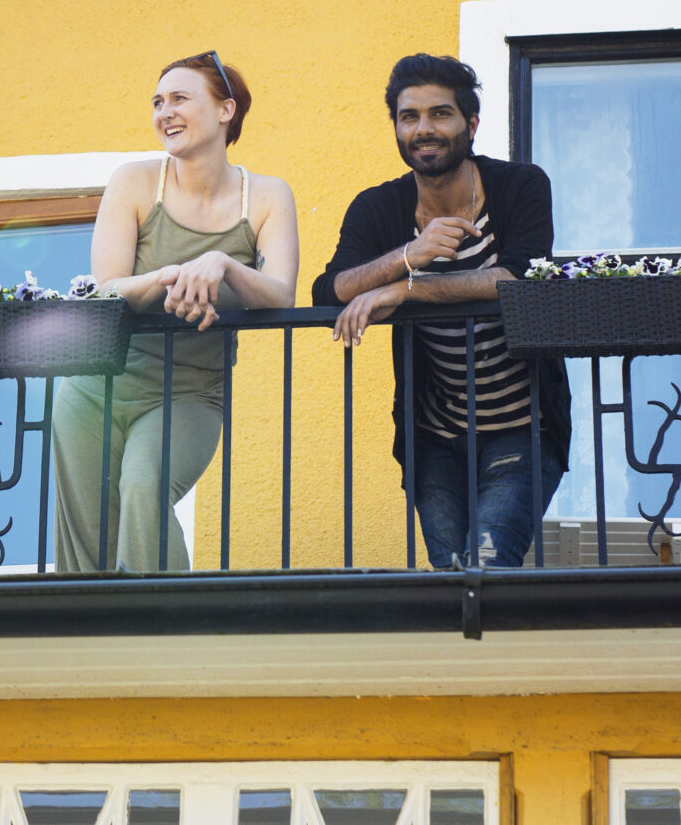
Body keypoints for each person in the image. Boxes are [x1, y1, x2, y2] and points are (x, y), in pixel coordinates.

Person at [313, 53, 569, 569]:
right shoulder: (378, 207)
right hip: (435, 440)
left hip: (524, 427)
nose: (423, 129)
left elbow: (518, 280)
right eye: (409, 117)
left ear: (471, 124)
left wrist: (405, 291)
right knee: (451, 577)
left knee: (488, 567)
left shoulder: (520, 186)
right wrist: (410, 256)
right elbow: (329, 290)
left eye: (440, 114)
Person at [52, 52, 302, 571]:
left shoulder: (267, 196)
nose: (164, 112)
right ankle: (88, 634)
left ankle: (166, 626)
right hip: (96, 387)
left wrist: (221, 265)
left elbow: (281, 294)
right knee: (90, 537)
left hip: (190, 391)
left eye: (180, 99)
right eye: (158, 102)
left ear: (226, 109)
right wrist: (172, 276)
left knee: (145, 484)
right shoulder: (136, 181)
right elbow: (108, 289)